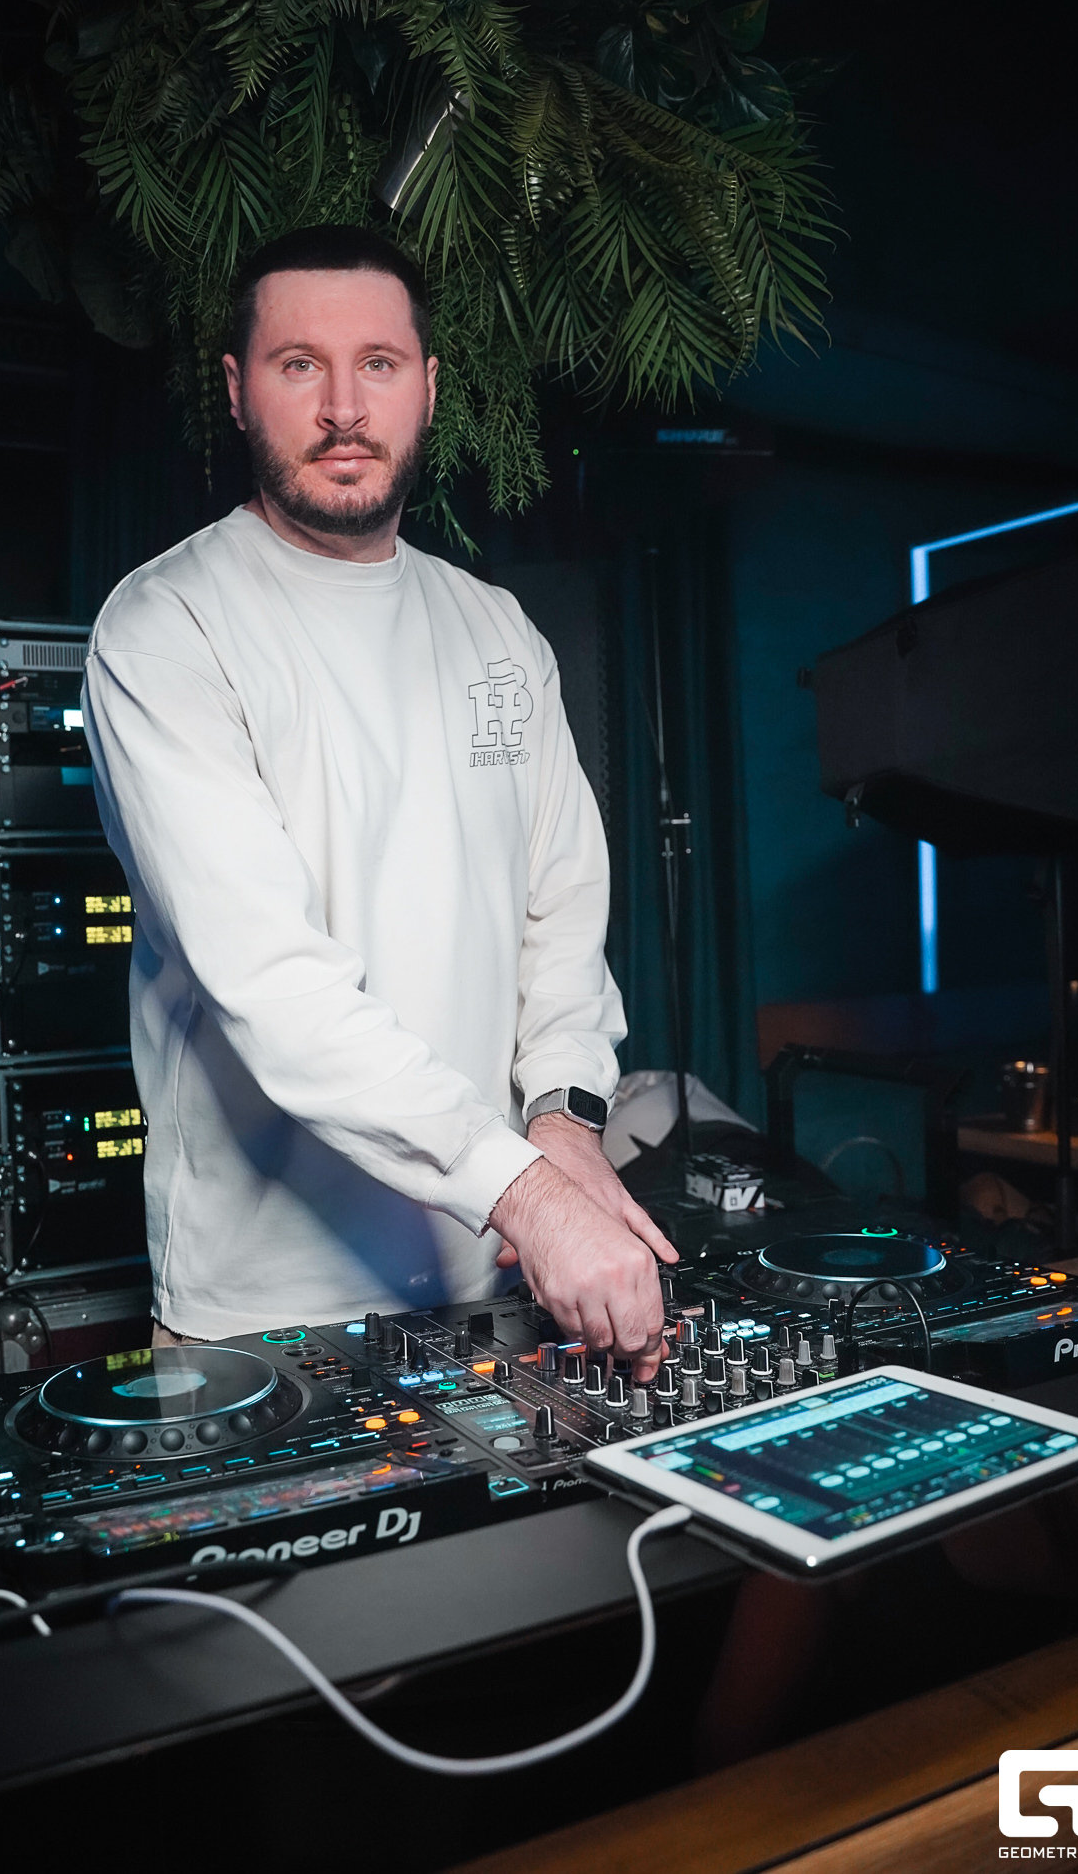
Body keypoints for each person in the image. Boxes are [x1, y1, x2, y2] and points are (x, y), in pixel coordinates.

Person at [82, 223, 675, 1375]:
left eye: (379, 364)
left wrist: (560, 1118)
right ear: (237, 391)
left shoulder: (495, 629)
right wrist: (530, 1195)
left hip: (497, 1282)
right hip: (262, 1316)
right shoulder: (165, 628)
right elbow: (275, 987)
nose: (344, 407)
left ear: (428, 387)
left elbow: (560, 908)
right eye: (299, 364)